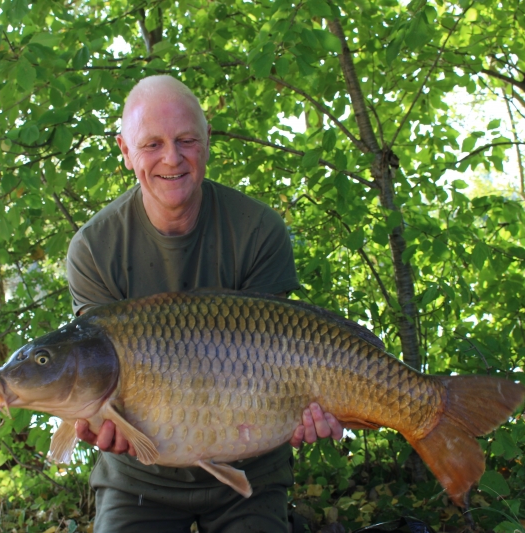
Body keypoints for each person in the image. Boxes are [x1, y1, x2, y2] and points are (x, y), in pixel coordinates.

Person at [66, 75, 343, 532]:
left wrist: (311, 408)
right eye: (151, 144)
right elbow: (95, 370)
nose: (171, 158)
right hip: (138, 478)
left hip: (251, 468)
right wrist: (102, 420)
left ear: (207, 139)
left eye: (186, 140)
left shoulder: (258, 231)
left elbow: (280, 358)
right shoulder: (95, 248)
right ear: (124, 150)